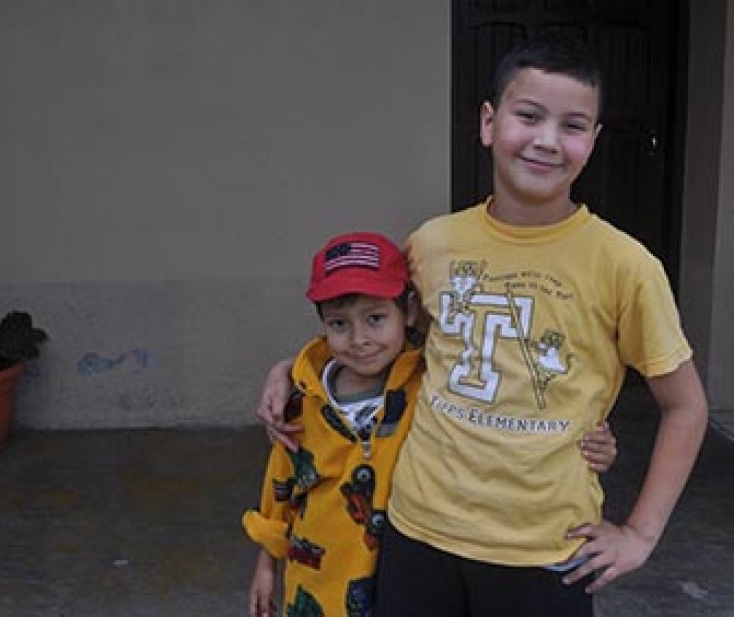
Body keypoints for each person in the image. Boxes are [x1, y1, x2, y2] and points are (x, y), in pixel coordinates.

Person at [255, 32, 707, 617]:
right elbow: (370, 329)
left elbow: (686, 405)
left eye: (572, 125)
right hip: (417, 531)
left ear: (592, 143)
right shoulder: (433, 243)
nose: (547, 140)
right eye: (529, 116)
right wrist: (291, 368)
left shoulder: (625, 266)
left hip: (545, 549)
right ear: (489, 123)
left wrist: (641, 534)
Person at [243, 231, 617, 616]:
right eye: (339, 324)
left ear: (408, 310)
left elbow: (506, 408)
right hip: (320, 584)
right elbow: (282, 485)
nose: (359, 339)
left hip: (405, 575)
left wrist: (587, 443)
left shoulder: (432, 380)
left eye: (375, 318)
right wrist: (267, 564)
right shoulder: (303, 400)